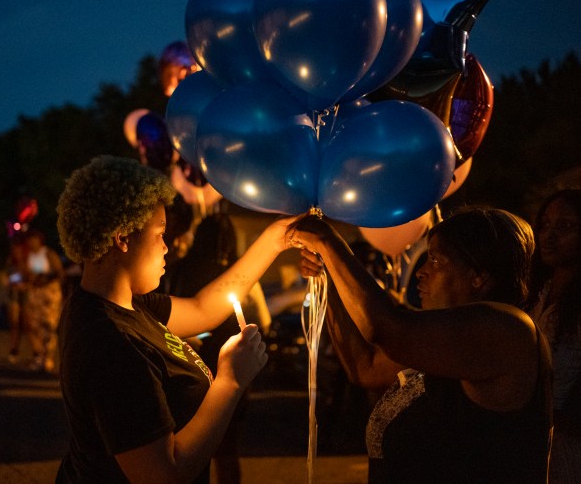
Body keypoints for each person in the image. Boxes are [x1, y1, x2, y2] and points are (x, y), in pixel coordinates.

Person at [54, 155, 296, 483]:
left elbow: (201, 309)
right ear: (123, 238)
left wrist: (274, 241)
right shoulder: (109, 343)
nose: (167, 247)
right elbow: (163, 474)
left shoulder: (124, 305)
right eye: (160, 233)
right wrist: (230, 381)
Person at [291, 207, 553, 483]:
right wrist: (329, 279)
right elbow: (365, 367)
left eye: (436, 261)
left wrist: (328, 242)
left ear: (480, 277)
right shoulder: (445, 337)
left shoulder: (506, 329)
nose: (421, 272)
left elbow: (388, 328)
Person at [164, 212, 271, 483]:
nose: (166, 246)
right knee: (225, 450)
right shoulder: (242, 277)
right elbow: (265, 321)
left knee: (188, 446)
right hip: (234, 364)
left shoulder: (179, 270)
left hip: (185, 368)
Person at [527, 188, 581, 482]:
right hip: (526, 435)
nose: (549, 235)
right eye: (545, 225)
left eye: (565, 227)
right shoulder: (536, 293)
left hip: (566, 441)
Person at [23, 228, 65, 373]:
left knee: (48, 326)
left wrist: (45, 278)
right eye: (29, 240)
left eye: (34, 240)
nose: (31, 243)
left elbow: (60, 273)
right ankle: (39, 356)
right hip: (35, 294)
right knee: (35, 327)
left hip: (48, 295)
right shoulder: (29, 256)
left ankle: (48, 358)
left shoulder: (48, 254)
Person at [2, 235, 29, 364]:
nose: (16, 252)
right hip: (13, 295)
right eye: (14, 250)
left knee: (27, 324)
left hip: (26, 295)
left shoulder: (29, 262)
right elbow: (4, 279)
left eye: (18, 249)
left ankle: (37, 352)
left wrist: (26, 285)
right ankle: (13, 349)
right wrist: (7, 281)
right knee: (14, 323)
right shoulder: (10, 262)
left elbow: (36, 278)